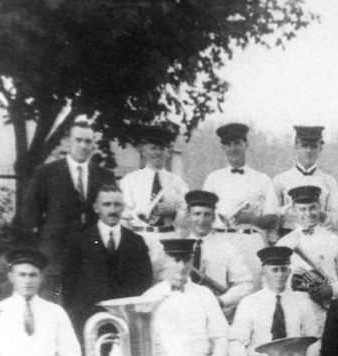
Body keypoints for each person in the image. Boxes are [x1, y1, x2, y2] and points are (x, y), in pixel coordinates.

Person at [15, 121, 116, 301]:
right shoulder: (46, 172)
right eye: (78, 140)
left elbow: (112, 213)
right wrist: (45, 242)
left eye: (88, 141)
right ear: (68, 141)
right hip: (55, 256)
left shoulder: (104, 175)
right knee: (53, 305)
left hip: (92, 255)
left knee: (88, 306)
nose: (83, 146)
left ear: (93, 144)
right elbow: (30, 215)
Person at [61, 184, 154, 335]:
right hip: (89, 322)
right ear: (96, 208)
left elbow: (145, 282)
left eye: (117, 205)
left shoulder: (136, 242)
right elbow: (68, 285)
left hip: (126, 324)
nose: (112, 210)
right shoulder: (79, 241)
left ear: (123, 207)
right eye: (107, 204)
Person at [202, 122, 279, 278]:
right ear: (223, 148)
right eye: (228, 144)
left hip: (250, 242)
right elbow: (203, 214)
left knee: (251, 290)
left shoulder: (262, 179)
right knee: (219, 287)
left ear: (246, 144)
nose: (232, 149)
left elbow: (273, 219)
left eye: (237, 143)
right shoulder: (213, 178)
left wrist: (252, 219)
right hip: (220, 241)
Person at [276, 185, 338, 331]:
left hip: (327, 313)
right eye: (302, 209)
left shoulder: (335, 241)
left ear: (319, 208)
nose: (308, 213)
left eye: (312, 208)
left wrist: (332, 289)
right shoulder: (284, 243)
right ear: (293, 210)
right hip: (295, 315)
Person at [118, 123, 189, 267]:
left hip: (169, 242)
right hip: (139, 241)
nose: (157, 153)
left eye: (161, 148)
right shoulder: (129, 181)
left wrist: (174, 213)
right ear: (143, 151)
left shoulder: (178, 183)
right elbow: (123, 219)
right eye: (153, 148)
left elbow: (189, 221)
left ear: (168, 151)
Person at [182, 190, 255, 319]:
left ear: (214, 218)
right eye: (197, 214)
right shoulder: (177, 246)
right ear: (188, 215)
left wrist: (221, 301)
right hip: (183, 314)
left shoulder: (226, 248)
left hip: (216, 315)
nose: (202, 220)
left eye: (207, 215)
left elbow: (246, 285)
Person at [272, 125, 338, 234]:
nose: (309, 151)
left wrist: (320, 215)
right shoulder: (280, 180)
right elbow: (272, 217)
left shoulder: (328, 181)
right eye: (304, 146)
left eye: (313, 146)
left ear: (320, 148)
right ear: (296, 146)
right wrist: (290, 210)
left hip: (319, 239)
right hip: (289, 240)